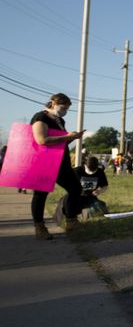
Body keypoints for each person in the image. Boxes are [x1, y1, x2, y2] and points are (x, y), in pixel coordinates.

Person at [30, 93, 85, 239]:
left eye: (67, 108)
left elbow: (59, 142)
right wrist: (68, 136)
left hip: (61, 162)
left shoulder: (60, 120)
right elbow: (42, 140)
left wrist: (73, 138)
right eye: (63, 107)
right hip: (44, 163)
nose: (64, 110)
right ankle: (40, 227)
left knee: (75, 188)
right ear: (53, 104)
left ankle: (71, 221)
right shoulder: (40, 117)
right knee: (41, 194)